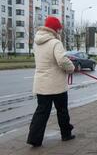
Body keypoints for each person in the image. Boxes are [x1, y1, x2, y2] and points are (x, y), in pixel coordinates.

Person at [27, 16, 75, 147]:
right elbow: (62, 60)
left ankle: (34, 139)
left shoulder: (36, 42)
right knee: (62, 110)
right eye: (59, 29)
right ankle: (66, 134)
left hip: (41, 84)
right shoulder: (55, 42)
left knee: (41, 112)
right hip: (56, 84)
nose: (59, 31)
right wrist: (71, 68)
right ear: (55, 29)